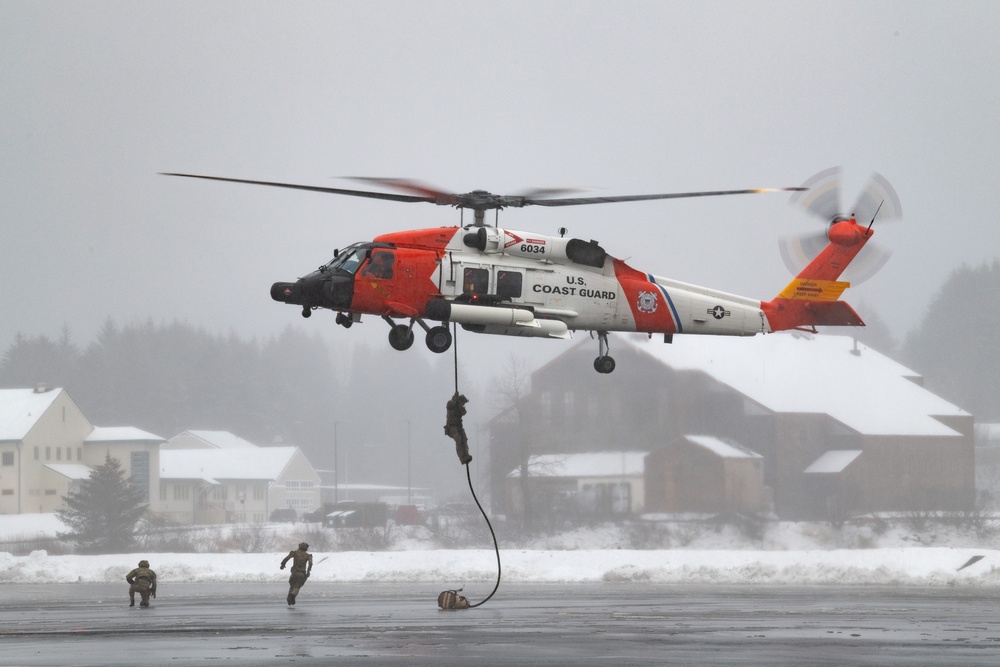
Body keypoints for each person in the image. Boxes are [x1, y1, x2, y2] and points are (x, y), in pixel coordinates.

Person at [444, 392, 472, 465]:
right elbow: (450, 405)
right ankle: (462, 457)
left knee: (464, 439)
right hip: (451, 427)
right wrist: (455, 399)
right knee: (458, 439)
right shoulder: (450, 403)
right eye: (462, 402)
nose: (463, 404)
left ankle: (466, 455)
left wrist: (459, 405)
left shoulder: (460, 407)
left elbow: (463, 412)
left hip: (459, 426)